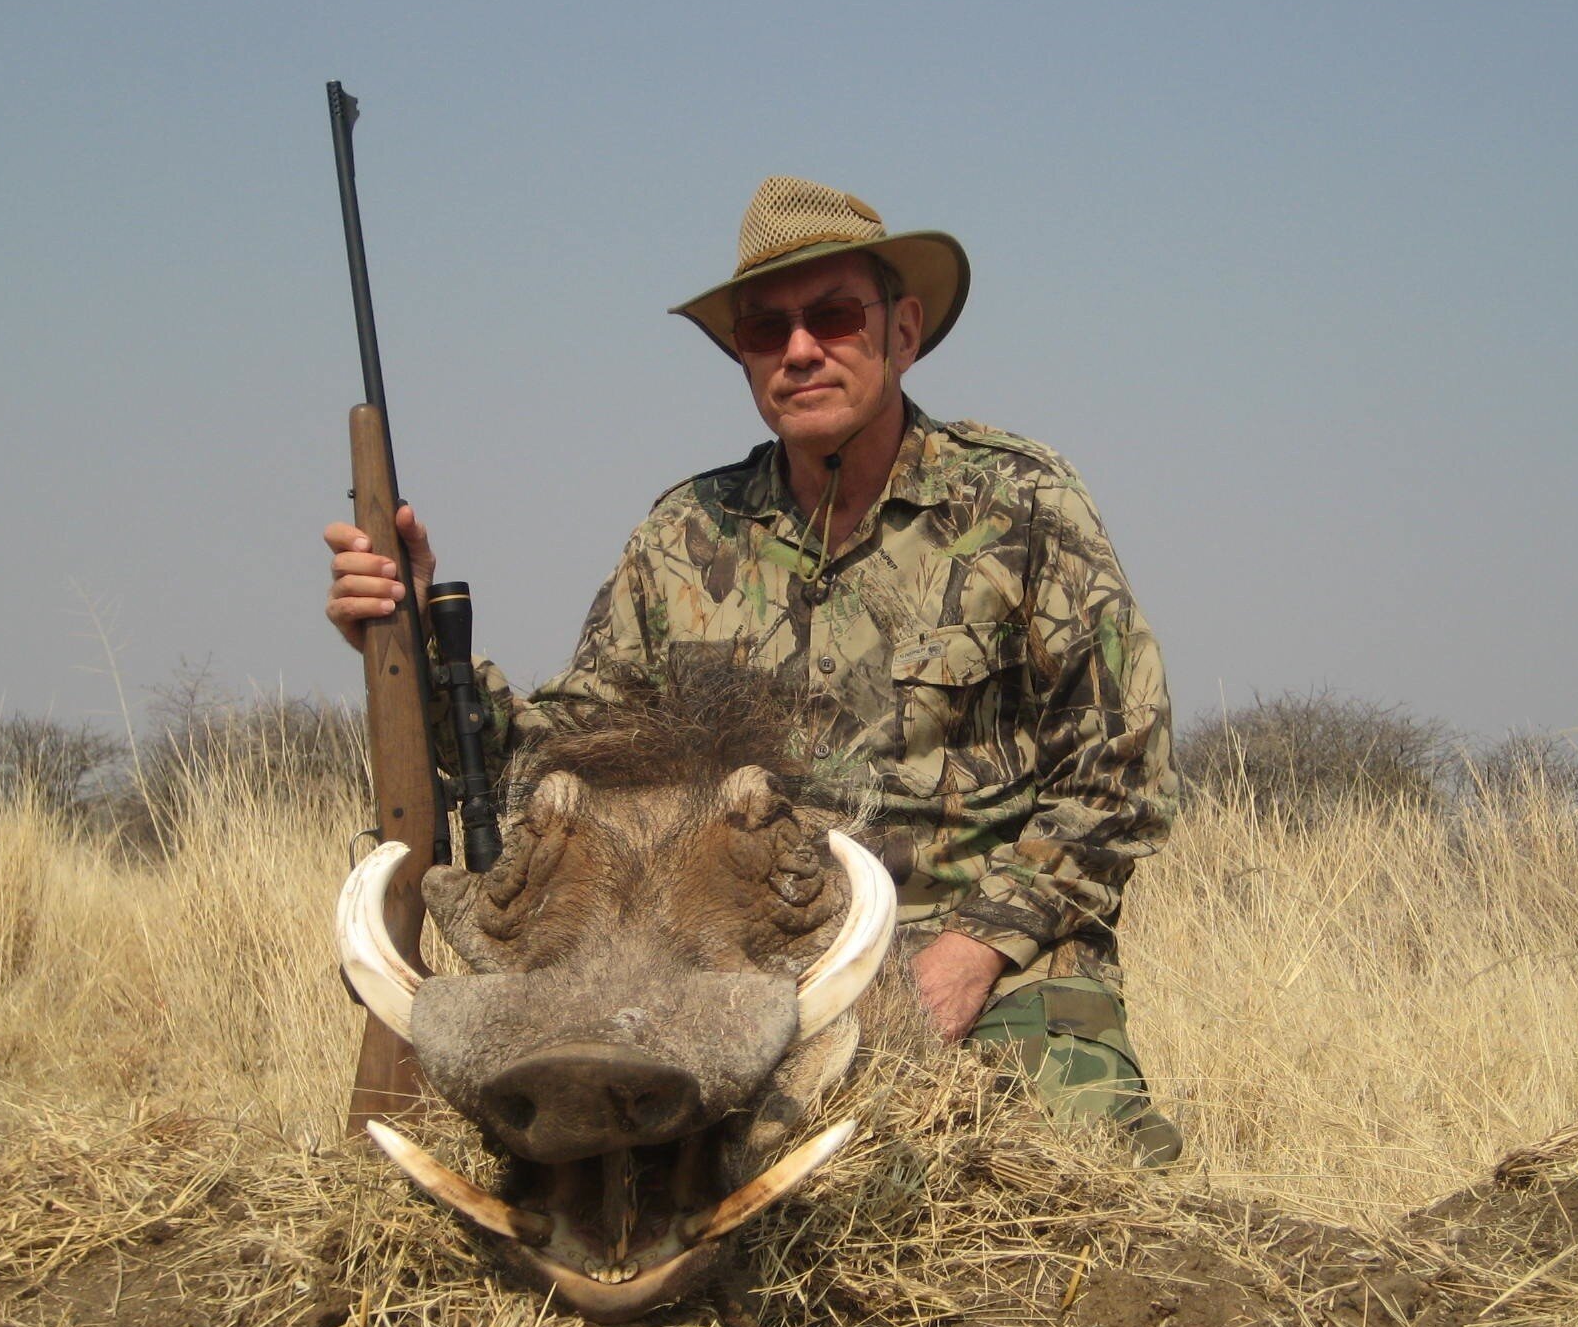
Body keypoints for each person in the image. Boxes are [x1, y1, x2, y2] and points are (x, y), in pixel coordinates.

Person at [324, 175, 1182, 1163]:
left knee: (1078, 1191)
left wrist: (971, 952)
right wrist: (417, 654)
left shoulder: (1021, 502)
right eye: (764, 330)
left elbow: (1123, 769)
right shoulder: (684, 533)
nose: (799, 350)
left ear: (901, 331)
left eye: (831, 317)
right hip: (728, 964)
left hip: (978, 958)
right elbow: (557, 761)